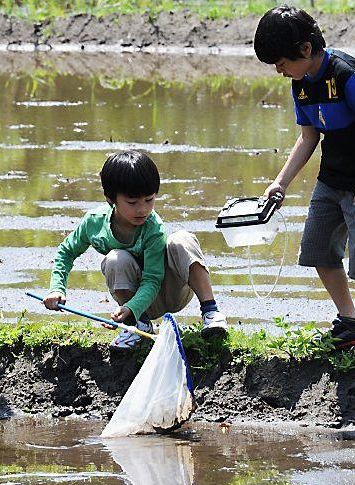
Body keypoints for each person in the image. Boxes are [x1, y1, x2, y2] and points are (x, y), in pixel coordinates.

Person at [253, 6, 355, 355]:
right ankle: (349, 323)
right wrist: (281, 183)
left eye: (281, 62)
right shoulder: (301, 85)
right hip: (333, 174)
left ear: (305, 49)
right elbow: (308, 138)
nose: (279, 71)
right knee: (317, 247)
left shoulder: (346, 75)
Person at [42, 150, 228, 349]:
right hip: (136, 303)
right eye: (132, 202)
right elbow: (66, 251)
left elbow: (152, 279)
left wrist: (130, 308)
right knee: (115, 259)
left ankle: (211, 312)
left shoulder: (153, 227)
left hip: (171, 291)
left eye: (149, 200)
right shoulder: (94, 223)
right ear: (110, 199)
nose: (142, 209)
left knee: (181, 240)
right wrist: (56, 288)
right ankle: (138, 326)